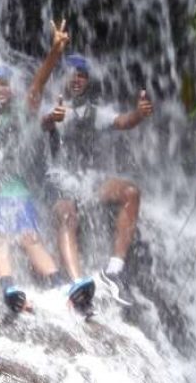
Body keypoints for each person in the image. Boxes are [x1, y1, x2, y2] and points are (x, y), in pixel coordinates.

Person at [0, 21, 95, 314]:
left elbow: (37, 86)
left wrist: (54, 51)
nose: (1, 89)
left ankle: (62, 286)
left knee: (30, 237)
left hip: (18, 191)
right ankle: (9, 287)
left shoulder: (21, 114)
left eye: (5, 84)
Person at [41, 53, 154, 306]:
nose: (78, 79)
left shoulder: (93, 112)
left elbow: (123, 122)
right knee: (68, 213)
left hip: (89, 182)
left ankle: (113, 272)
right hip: (59, 183)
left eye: (82, 75)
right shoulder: (53, 105)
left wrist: (139, 113)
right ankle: (76, 282)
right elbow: (41, 122)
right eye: (73, 74)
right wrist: (52, 118)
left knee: (131, 192)